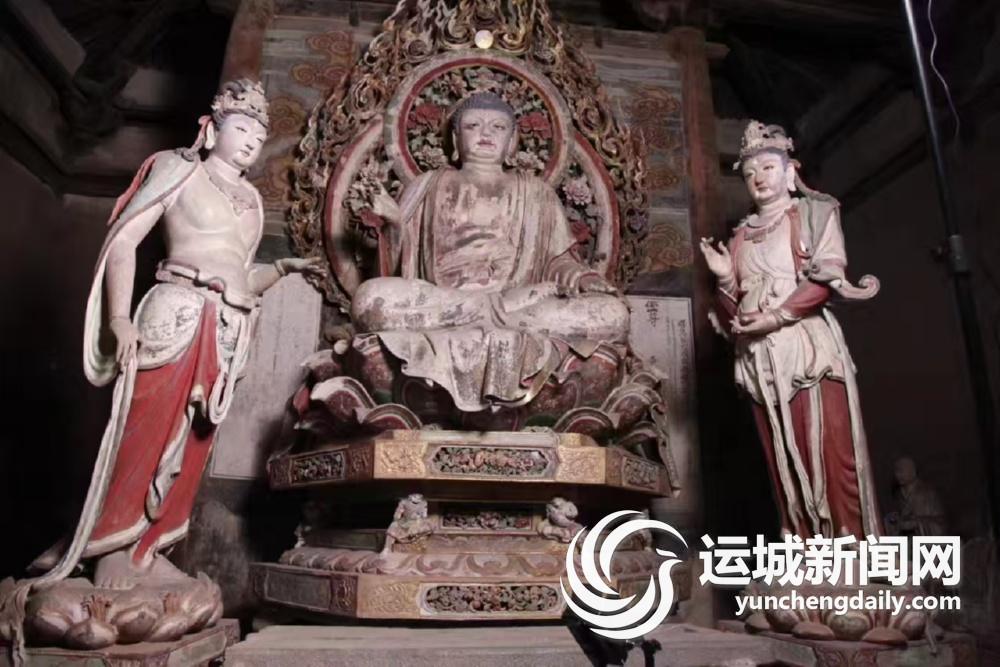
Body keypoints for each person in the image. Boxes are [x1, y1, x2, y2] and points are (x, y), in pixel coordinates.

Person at [29, 79, 320, 589]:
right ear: (212, 129)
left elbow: (242, 275)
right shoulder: (179, 169)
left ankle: (150, 548)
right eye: (241, 128)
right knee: (145, 429)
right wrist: (119, 318)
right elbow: (124, 241)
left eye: (259, 135)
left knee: (192, 444)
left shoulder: (252, 199)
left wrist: (282, 269)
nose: (251, 141)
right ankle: (110, 546)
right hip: (177, 309)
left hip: (229, 324)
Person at [351, 92, 629, 412]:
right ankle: (488, 308)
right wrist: (394, 225)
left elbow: (558, 263)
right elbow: (400, 267)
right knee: (369, 300)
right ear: (455, 139)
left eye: (498, 127)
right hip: (449, 301)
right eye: (473, 126)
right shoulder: (427, 185)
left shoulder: (538, 193)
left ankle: (493, 310)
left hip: (522, 302)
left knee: (613, 315)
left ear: (512, 141)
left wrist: (584, 279)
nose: (485, 133)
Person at [700, 121, 881, 539]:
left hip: (808, 351)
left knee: (830, 452)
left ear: (789, 171)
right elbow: (735, 317)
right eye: (749, 173)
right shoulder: (741, 236)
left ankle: (850, 544)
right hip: (762, 363)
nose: (758, 178)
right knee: (781, 461)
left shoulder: (814, 214)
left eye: (767, 167)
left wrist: (778, 315)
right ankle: (800, 544)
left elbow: (823, 280)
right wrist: (725, 278)